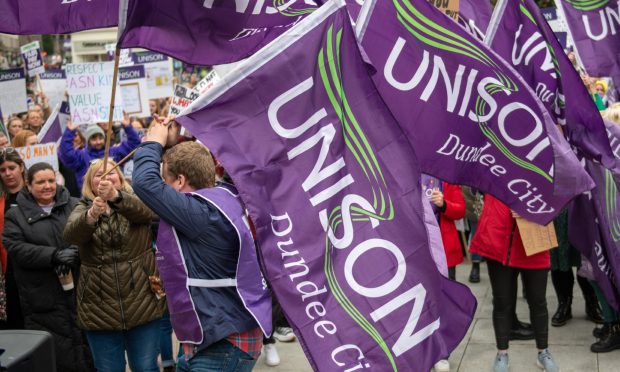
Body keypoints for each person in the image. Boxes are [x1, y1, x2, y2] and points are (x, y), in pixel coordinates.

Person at [132, 118, 271, 371]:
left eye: (166, 180)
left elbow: (143, 183)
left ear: (181, 180)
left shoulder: (199, 212)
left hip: (223, 340)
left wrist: (153, 141)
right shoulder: (223, 196)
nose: (164, 188)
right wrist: (172, 142)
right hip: (211, 336)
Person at [64, 158, 166, 372]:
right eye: (98, 175)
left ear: (119, 178)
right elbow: (71, 235)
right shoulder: (81, 206)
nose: (105, 178)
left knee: (146, 367)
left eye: (110, 173)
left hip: (142, 299)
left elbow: (149, 213)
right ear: (90, 184)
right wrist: (91, 216)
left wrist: (116, 198)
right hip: (98, 307)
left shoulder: (135, 199)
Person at [2, 162, 93, 371]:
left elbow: (90, 234)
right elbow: (15, 246)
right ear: (28, 185)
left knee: (88, 353)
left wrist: (76, 252)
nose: (47, 186)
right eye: (40, 182)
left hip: (81, 292)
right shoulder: (15, 215)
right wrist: (53, 256)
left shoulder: (75, 204)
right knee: (57, 357)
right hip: (43, 299)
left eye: (51, 180)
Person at [470, 195, 558, 372]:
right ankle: (502, 353)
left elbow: (557, 199)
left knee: (538, 301)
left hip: (534, 242)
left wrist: (532, 208)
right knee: (502, 302)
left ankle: (543, 352)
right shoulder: (494, 168)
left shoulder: (545, 168)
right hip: (498, 240)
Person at [59, 116, 141, 190]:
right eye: (94, 139)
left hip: (116, 196)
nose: (98, 142)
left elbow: (134, 145)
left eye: (100, 138)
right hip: (91, 200)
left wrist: (127, 127)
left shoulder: (114, 152)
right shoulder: (81, 156)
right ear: (88, 141)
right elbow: (66, 154)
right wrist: (70, 131)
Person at [0, 149, 26, 330]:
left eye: (12, 167)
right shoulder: (1, 199)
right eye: (2, 170)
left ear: (21, 167)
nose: (8, 173)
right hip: (7, 266)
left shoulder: (35, 194)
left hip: (32, 261)